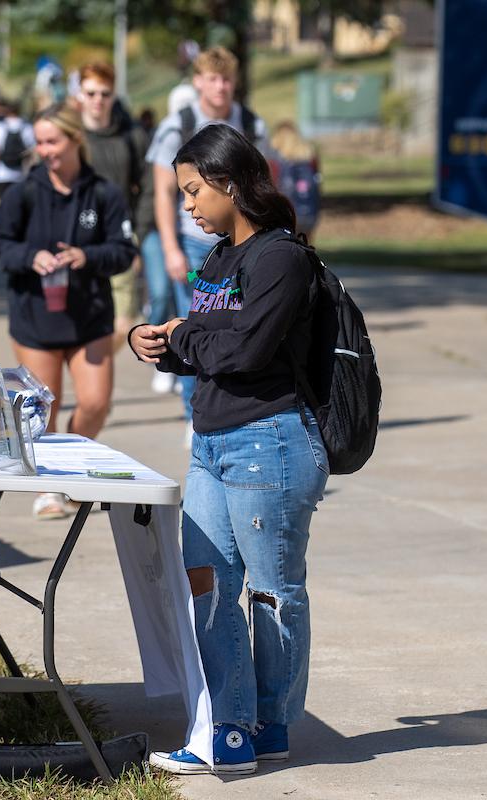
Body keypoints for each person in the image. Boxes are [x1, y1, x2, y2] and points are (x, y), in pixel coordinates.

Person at [128, 124, 328, 775]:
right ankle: (230, 727)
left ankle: (269, 725)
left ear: (231, 183)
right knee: (207, 585)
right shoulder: (216, 261)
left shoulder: (282, 259)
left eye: (193, 191)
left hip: (268, 443)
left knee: (272, 593)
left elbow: (245, 350)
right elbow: (212, 345)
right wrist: (154, 339)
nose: (185, 205)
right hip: (211, 443)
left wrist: (187, 338)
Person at [0, 104, 136, 520]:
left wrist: (85, 256)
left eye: (53, 141)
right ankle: (52, 489)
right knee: (43, 411)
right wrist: (31, 256)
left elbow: (124, 251)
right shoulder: (23, 193)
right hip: (36, 318)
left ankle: (68, 459)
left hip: (88, 318)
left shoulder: (103, 193)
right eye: (40, 141)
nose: (45, 150)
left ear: (76, 141)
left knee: (95, 403)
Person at [148, 46, 268, 444]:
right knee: (194, 325)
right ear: (197, 81)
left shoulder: (250, 124)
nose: (221, 87)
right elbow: (164, 194)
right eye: (213, 79)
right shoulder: (178, 126)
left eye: (227, 79)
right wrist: (171, 248)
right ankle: (193, 412)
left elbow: (266, 181)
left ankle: (234, 406)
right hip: (195, 240)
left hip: (242, 241)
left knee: (237, 325)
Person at [75, 62, 152, 356]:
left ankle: (95, 368)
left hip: (119, 236)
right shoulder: (70, 134)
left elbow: (148, 186)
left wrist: (139, 235)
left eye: (104, 94)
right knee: (78, 322)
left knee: (123, 323)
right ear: (80, 94)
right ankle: (90, 379)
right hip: (76, 240)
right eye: (91, 93)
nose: (98, 100)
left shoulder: (131, 136)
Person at [268, 120, 321, 241]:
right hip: (309, 211)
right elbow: (317, 184)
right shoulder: (309, 156)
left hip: (285, 214)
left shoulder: (274, 159)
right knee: (307, 247)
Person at [0, 98, 34, 206]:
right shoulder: (27, 127)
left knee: (3, 203)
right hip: (20, 174)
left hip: (1, 174)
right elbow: (31, 151)